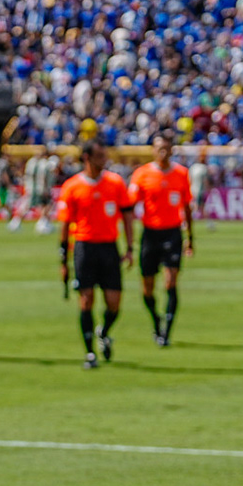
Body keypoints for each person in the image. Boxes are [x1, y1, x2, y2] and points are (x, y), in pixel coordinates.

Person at [55, 140, 135, 369]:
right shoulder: (72, 186)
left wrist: (129, 248)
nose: (105, 159)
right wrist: (63, 259)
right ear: (87, 158)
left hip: (109, 248)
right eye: (100, 155)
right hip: (84, 248)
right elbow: (64, 224)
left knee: (114, 303)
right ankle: (90, 353)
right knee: (86, 300)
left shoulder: (115, 183)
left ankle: (104, 331)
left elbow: (127, 215)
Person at [128, 135, 195, 347]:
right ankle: (156, 320)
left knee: (170, 281)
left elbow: (187, 207)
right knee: (147, 287)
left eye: (167, 147)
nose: (163, 151)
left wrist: (190, 238)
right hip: (150, 234)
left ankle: (167, 330)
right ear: (153, 150)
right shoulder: (142, 174)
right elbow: (130, 203)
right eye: (159, 148)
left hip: (173, 233)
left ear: (172, 150)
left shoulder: (181, 174)